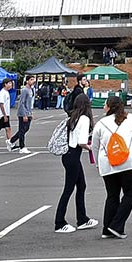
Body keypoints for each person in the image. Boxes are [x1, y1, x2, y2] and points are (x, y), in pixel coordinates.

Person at [93, 95, 132, 238]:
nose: (103, 107)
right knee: (131, 193)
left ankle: (107, 229)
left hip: (107, 163)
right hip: (127, 161)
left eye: (105, 105)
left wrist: (97, 163)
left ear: (109, 107)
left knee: (112, 195)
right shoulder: (131, 119)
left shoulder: (101, 123)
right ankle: (116, 226)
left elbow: (95, 145)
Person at [53, 93, 99, 233]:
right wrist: (91, 148)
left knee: (81, 186)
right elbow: (82, 141)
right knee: (69, 189)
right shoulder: (84, 118)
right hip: (73, 155)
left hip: (69, 155)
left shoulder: (74, 116)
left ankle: (82, 219)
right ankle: (60, 222)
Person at [11, 78, 35, 153]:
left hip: (28, 112)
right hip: (23, 113)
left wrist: (30, 113)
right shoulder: (24, 90)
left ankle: (11, 140)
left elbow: (29, 103)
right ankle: (22, 147)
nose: (33, 81)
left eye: (33, 80)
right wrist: (24, 114)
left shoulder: (31, 90)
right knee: (22, 130)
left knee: (26, 128)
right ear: (27, 81)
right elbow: (21, 103)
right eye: (31, 79)